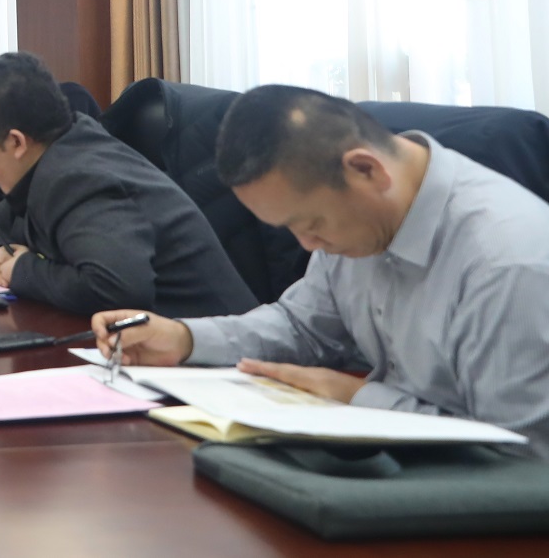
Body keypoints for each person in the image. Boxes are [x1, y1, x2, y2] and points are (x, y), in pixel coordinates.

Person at [92, 85, 549, 456]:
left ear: (366, 170)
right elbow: (303, 326)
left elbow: (522, 452)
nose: (307, 245)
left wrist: (358, 397)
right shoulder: (360, 219)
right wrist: (184, 339)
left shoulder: (506, 262)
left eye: (310, 224)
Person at [0, 51, 255, 318]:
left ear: (16, 142)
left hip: (212, 347)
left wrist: (22, 270)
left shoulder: (79, 179)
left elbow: (115, 289)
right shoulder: (52, 156)